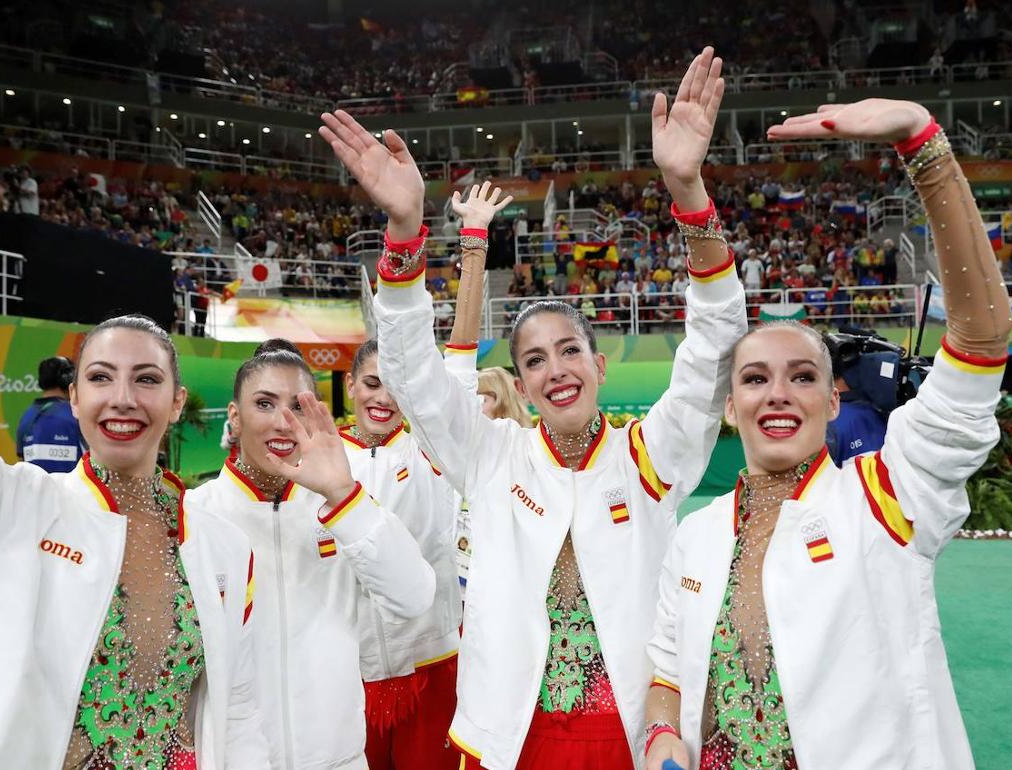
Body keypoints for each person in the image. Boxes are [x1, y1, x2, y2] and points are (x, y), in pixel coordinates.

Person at [0, 32, 269, 768]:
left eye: (146, 378)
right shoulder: (10, 509)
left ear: (177, 400)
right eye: (100, 377)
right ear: (73, 396)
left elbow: (239, 708)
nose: (122, 397)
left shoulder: (221, 544)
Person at [320, 45, 746, 768]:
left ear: (599, 365)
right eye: (535, 360)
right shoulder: (491, 457)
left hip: (633, 738)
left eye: (570, 351)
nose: (556, 371)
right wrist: (402, 237)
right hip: (507, 738)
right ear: (518, 382)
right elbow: (414, 372)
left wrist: (689, 192)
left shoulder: (650, 456)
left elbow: (713, 350)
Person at [644, 99, 1012, 770]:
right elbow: (666, 669)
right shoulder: (693, 537)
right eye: (755, 378)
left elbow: (982, 341)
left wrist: (922, 144)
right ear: (730, 407)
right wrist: (661, 734)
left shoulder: (887, 501)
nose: (778, 393)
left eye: (802, 377)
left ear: (834, 400)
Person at [188, 344, 435, 768]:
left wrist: (342, 496)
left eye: (298, 406)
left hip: (337, 758)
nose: (284, 421)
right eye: (264, 403)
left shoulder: (344, 504)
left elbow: (414, 598)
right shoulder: (197, 514)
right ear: (234, 415)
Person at [341, 339, 463, 770]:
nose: (384, 398)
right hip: (349, 671)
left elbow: (459, 386)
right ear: (351, 384)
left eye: (396, 386)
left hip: (430, 661)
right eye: (373, 383)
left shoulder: (430, 451)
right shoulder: (320, 459)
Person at [16, 356, 84, 474]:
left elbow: (22, 460)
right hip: (72, 492)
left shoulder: (26, 418)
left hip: (35, 492)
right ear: (67, 379)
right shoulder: (77, 414)